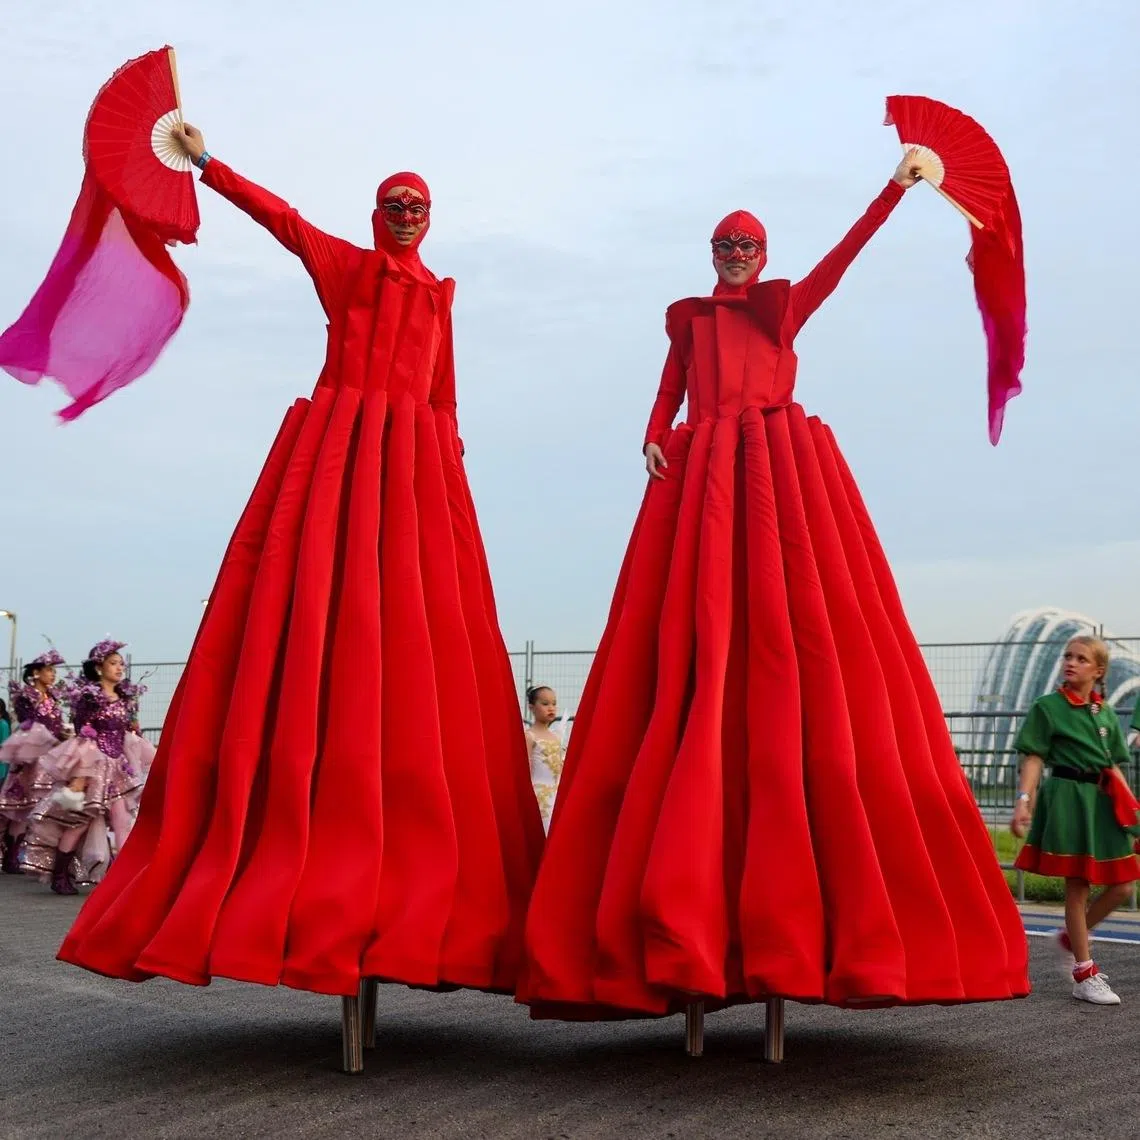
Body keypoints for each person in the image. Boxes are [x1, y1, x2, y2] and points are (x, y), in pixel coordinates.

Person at [518, 151, 1029, 1027]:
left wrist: (896, 188)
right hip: (701, 473)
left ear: (761, 251)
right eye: (722, 244)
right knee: (695, 639)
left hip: (774, 474)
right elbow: (671, 388)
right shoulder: (688, 321)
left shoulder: (783, 305)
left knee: (794, 641)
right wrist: (652, 432)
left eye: (744, 244)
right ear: (709, 251)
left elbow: (843, 257)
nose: (732, 254)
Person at [58, 124, 544, 1003]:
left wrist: (449, 481)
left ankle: (413, 899)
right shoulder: (347, 268)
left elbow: (444, 394)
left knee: (412, 654)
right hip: (340, 459)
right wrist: (207, 164)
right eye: (395, 206)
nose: (406, 217)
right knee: (316, 619)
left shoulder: (438, 297)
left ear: (432, 219)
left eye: (418, 208)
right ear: (375, 215)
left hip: (416, 478)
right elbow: (276, 217)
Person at [1011, 636, 1140, 1005]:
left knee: (1123, 887)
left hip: (1102, 801)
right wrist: (1024, 800)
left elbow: (1114, 765)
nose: (1071, 662)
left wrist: (1128, 809)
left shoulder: (1105, 713)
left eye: (1081, 658)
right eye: (1068, 656)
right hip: (1068, 797)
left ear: (1098, 671)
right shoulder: (1047, 706)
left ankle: (1069, 939)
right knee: (1078, 884)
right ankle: (1083, 973)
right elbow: (1034, 757)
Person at [24, 640, 155, 894]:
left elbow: (127, 732)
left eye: (121, 664)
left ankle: (124, 876)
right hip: (93, 768)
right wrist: (80, 776)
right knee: (80, 823)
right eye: (113, 663)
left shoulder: (125, 697)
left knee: (123, 821)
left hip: (118, 768)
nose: (119, 668)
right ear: (99, 667)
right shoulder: (89, 697)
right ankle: (60, 874)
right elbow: (84, 736)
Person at [0, 649, 70, 875]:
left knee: (45, 806)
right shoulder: (26, 696)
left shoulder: (53, 697)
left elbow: (56, 725)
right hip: (31, 757)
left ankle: (38, 856)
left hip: (52, 756)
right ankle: (11, 856)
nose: (53, 675)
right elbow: (27, 725)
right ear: (36, 673)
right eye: (49, 670)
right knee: (23, 807)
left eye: (53, 671)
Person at [525, 686, 566, 833]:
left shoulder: (557, 737)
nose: (551, 708)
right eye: (545, 704)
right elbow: (525, 769)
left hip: (558, 795)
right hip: (539, 797)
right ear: (531, 707)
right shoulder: (529, 736)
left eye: (554, 704)